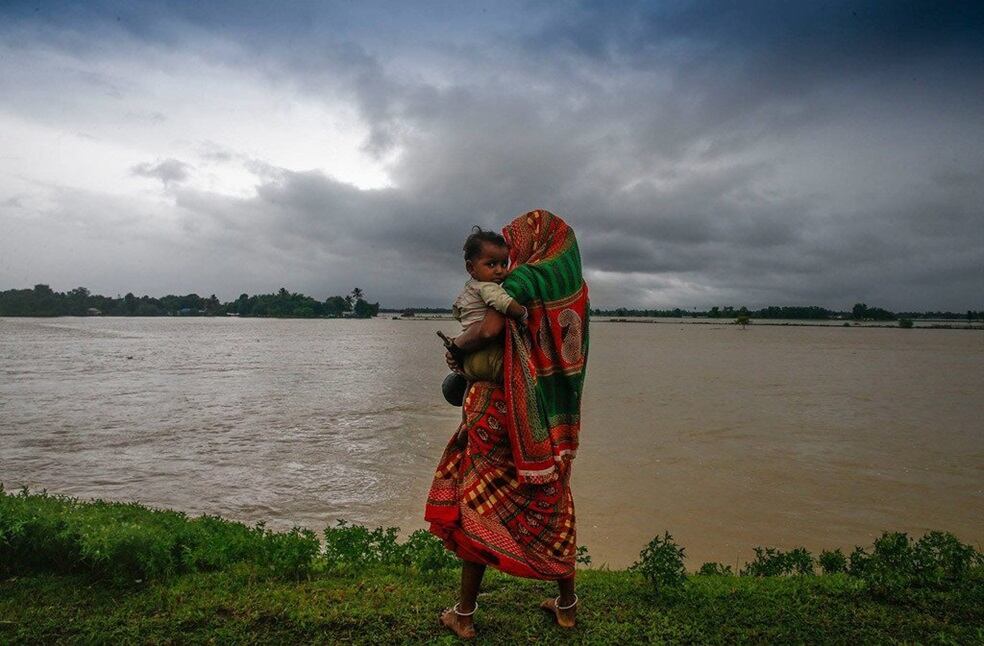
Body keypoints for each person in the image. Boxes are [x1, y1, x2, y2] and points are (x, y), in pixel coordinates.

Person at [426, 209, 589, 639]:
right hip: (545, 412)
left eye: (512, 248)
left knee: (478, 498)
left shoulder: (516, 283)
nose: (507, 260)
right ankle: (567, 605)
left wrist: (457, 346)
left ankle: (464, 614)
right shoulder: (573, 291)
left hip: (496, 407)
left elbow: (489, 328)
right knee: (552, 499)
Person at [442, 227, 529, 403]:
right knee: (521, 378)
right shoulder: (488, 288)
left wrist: (458, 345)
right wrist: (523, 314)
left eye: (504, 264)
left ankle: (467, 421)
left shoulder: (468, 290)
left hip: (470, 360)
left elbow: (466, 320)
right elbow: (503, 306)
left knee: (469, 390)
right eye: (491, 264)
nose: (500, 271)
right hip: (488, 358)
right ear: (471, 268)